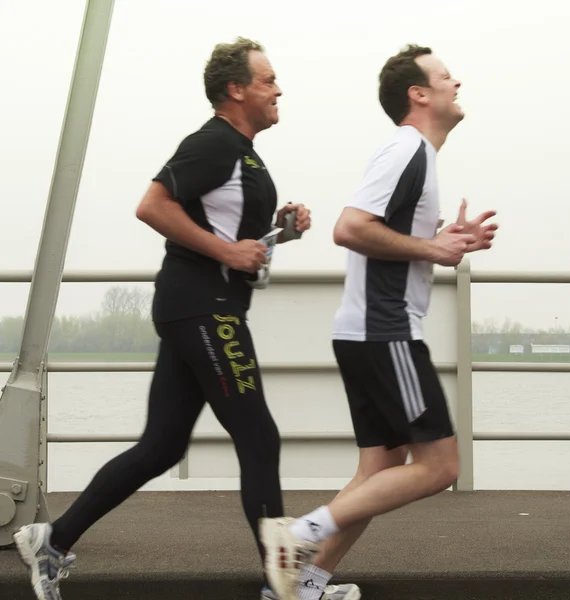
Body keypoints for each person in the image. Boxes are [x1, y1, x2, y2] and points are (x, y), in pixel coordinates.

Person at [12, 36, 358, 600]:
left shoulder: (241, 152)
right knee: (259, 437)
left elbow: (228, 235)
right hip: (206, 309)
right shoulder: (213, 143)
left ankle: (51, 541)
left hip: (195, 306)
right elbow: (152, 205)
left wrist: (276, 230)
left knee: (162, 445)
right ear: (235, 89)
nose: (278, 89)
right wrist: (227, 253)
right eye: (267, 80)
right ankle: (287, 589)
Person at [259, 44, 498, 600]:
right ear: (418, 94)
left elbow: (397, 241)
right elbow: (349, 228)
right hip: (385, 330)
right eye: (444, 76)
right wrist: (431, 248)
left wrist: (445, 243)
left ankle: (301, 587)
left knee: (377, 476)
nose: (455, 82)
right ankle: (296, 538)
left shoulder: (419, 157)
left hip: (367, 330)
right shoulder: (406, 150)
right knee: (440, 466)